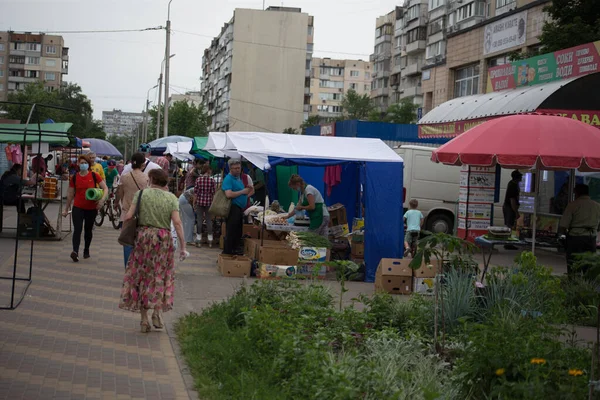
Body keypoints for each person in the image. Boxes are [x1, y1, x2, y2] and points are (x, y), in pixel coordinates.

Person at [119, 168, 186, 333]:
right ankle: (157, 312)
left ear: (152, 179)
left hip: (143, 237)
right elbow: (177, 223)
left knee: (142, 275)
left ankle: (143, 320)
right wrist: (183, 246)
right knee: (160, 275)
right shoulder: (171, 198)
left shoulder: (142, 194)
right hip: (163, 239)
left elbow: (128, 216)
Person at [63, 155, 109, 262]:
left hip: (91, 208)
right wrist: (66, 209)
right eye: (81, 162)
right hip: (78, 207)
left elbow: (105, 188)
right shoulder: (74, 177)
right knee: (77, 230)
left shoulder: (94, 175)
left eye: (85, 162)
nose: (83, 164)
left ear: (88, 164)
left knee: (88, 230)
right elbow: (70, 193)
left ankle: (86, 250)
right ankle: (75, 251)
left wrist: (102, 200)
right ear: (78, 164)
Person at [116, 153, 149, 268]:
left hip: (126, 214)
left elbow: (120, 194)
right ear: (143, 164)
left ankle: (128, 268)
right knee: (141, 243)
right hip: (142, 214)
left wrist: (118, 204)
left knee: (127, 243)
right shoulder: (147, 178)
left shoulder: (124, 177)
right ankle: (138, 269)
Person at [559, 184, 600, 275]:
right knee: (589, 265)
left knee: (573, 264)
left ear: (577, 193)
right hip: (591, 239)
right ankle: (588, 285)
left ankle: (573, 284)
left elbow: (563, 225)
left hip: (575, 238)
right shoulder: (597, 206)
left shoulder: (573, 205)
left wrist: (562, 236)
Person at [222, 159, 252, 255]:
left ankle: (234, 250)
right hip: (233, 208)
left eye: (239, 168)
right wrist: (243, 192)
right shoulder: (229, 179)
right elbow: (229, 194)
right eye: (235, 168)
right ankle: (227, 252)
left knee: (237, 231)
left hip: (239, 208)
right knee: (231, 231)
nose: (237, 170)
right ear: (230, 168)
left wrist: (246, 193)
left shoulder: (238, 178)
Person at [194, 164, 216, 247]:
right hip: (209, 203)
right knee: (208, 220)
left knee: (199, 220)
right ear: (208, 171)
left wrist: (194, 203)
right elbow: (213, 193)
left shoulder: (198, 180)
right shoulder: (212, 181)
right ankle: (210, 239)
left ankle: (199, 238)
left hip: (200, 202)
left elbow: (196, 193)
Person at [503, 170, 522, 250]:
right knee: (509, 225)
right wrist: (516, 212)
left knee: (510, 225)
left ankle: (508, 242)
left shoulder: (513, 184)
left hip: (509, 207)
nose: (521, 177)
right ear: (517, 178)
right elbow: (512, 201)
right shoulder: (512, 186)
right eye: (520, 176)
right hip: (509, 208)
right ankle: (507, 243)